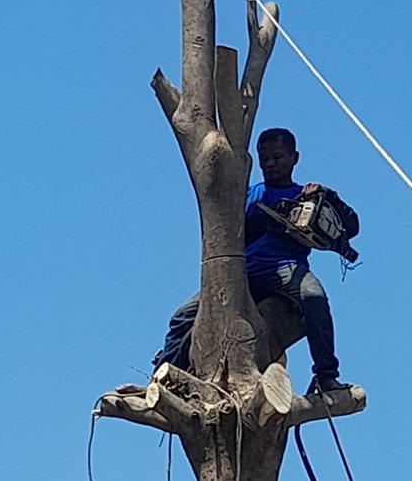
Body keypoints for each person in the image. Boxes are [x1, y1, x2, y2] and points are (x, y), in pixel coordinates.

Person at [152, 128, 359, 391]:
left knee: (314, 297)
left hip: (286, 269)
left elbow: (352, 227)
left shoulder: (306, 195)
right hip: (241, 273)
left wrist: (327, 195)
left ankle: (326, 376)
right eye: (265, 159)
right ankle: (164, 378)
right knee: (182, 317)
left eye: (277, 157)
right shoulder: (248, 196)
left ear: (295, 158)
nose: (270, 164)